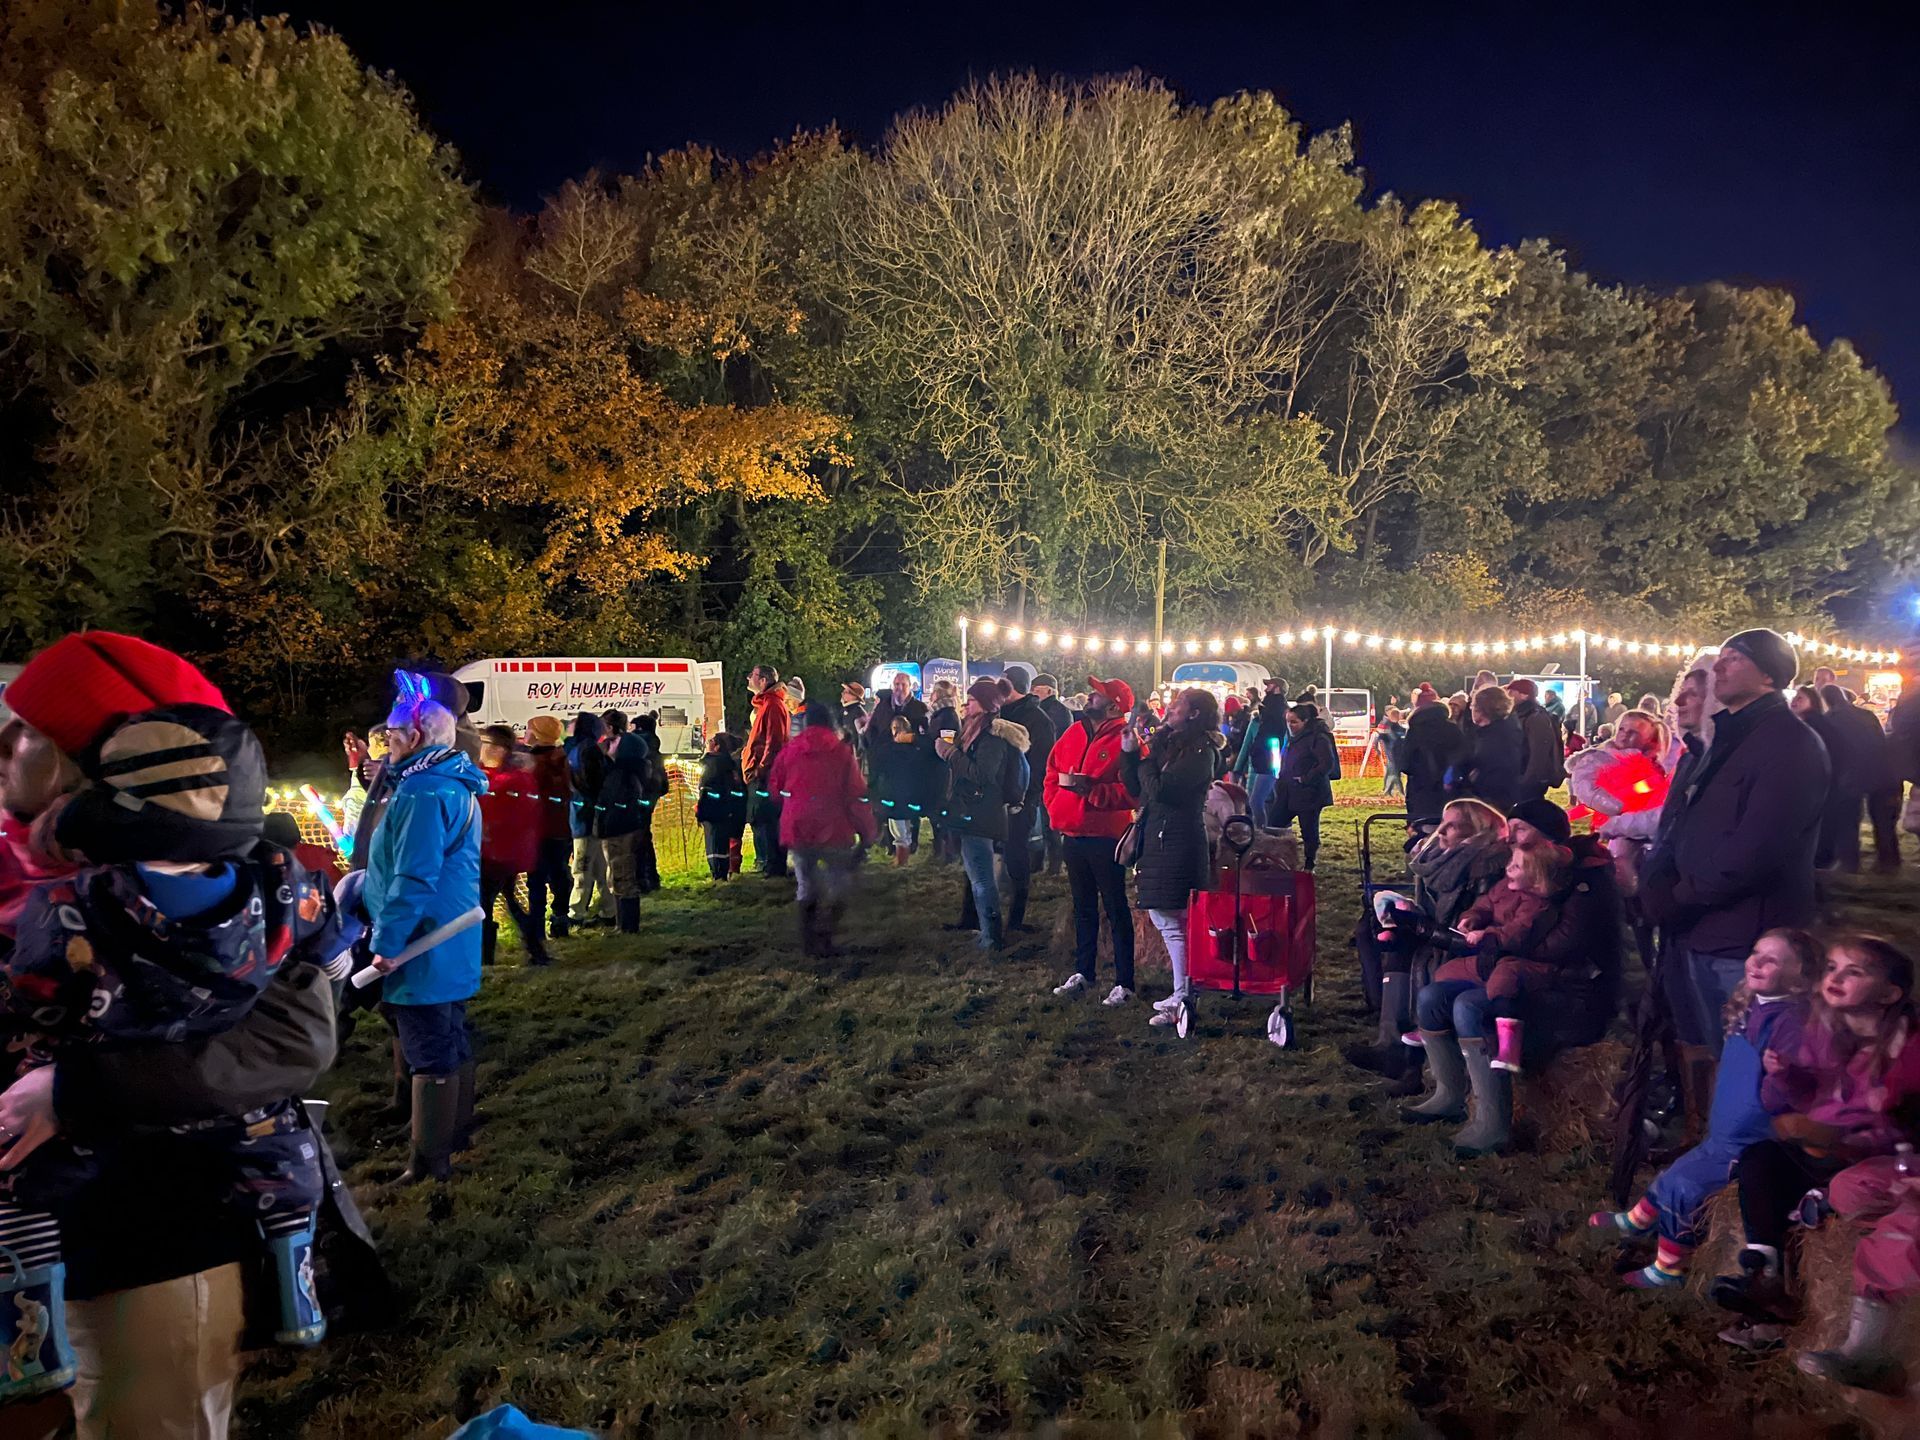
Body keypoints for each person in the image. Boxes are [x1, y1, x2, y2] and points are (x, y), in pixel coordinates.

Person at [0, 632, 345, 1437]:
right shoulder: (20, 870)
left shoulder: (236, 891)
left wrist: (78, 1091)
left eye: (30, 734)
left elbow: (293, 1042)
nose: (3, 745)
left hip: (147, 1225)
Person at [1641, 631, 1828, 1091]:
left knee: (1748, 1058)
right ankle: (1711, 1139)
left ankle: (1748, 1154)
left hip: (1745, 930)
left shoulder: (1789, 744)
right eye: (1720, 658)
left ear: (1770, 673)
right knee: (1707, 1041)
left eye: (1734, 658)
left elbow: (1757, 846)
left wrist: (1681, 896)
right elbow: (1684, 823)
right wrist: (1658, 882)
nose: (1720, 668)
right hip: (1697, 923)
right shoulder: (1725, 738)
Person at [1709, 935, 1920, 1336]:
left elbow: (1901, 1125)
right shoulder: (1823, 1029)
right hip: (1830, 1149)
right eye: (1832, 968)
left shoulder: (1909, 1049)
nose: (1836, 977)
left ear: (1889, 993)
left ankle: (1776, 1314)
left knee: (1831, 1179)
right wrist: (1786, 1077)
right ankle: (1764, 1272)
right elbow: (1801, 1100)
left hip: (1879, 1160)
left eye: (1854, 971)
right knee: (1760, 1161)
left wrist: (1840, 1132)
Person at [1590, 929, 1817, 1290]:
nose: (1755, 962)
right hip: (1725, 1133)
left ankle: (1669, 1268)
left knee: (1686, 1186)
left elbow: (1792, 1088)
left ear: (1801, 975)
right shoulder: (1753, 1004)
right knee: (1677, 1171)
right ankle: (1639, 1220)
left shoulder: (1790, 1022)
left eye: (1771, 959)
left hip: (1750, 1140)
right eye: (1755, 952)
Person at [362, 681, 487, 1186]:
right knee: (449, 1037)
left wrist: (386, 946)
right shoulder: (450, 782)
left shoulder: (420, 791)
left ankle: (429, 1162)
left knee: (429, 1047)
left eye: (390, 735)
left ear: (414, 736)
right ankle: (451, 1136)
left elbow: (413, 877)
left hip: (422, 941)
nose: (384, 743)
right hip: (447, 937)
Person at [1352, 799, 1508, 1082]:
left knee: (1414, 955)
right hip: (1439, 936)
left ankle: (1407, 1059)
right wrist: (1406, 913)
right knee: (1385, 935)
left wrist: (1422, 927)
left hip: (1468, 950)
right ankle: (1393, 1045)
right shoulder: (1440, 860)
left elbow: (1469, 933)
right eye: (1443, 823)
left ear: (1478, 832)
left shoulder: (1485, 868)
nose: (1442, 831)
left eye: (1453, 826)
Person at [1122, 688, 1225, 1025]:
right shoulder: (1172, 743)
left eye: (1177, 705)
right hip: (1161, 837)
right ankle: (1184, 988)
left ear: (1194, 714)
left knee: (1171, 919)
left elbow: (1163, 789)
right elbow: (1138, 787)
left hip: (1177, 841)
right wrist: (1131, 755)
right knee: (1167, 919)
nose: (1169, 709)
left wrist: (1147, 759)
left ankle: (1184, 993)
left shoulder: (1200, 751)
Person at [1046, 676, 1138, 1001]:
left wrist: (1096, 793)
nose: (1089, 697)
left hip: (1105, 836)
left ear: (1114, 705)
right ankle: (1084, 972)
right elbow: (1052, 771)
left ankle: (1124, 982)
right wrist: (1054, 804)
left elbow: (1135, 791)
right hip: (1072, 833)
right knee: (1082, 906)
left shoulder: (1128, 741)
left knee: (1115, 907)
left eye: (1097, 694)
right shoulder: (1075, 731)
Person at [766, 702, 876, 955]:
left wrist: (791, 803)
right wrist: (867, 832)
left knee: (806, 883)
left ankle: (808, 943)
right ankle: (825, 934)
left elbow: (774, 788)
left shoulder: (790, 750)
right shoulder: (841, 752)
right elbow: (855, 795)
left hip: (798, 826)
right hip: (833, 826)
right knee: (840, 883)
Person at [936, 679, 1025, 951]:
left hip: (982, 815)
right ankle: (988, 932)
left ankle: (992, 937)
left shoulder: (991, 738)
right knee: (978, 877)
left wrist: (951, 753)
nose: (965, 704)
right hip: (974, 813)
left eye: (971, 700)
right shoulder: (976, 732)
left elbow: (983, 775)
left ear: (985, 706)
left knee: (983, 879)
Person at [972, 664, 1055, 934]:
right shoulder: (998, 714)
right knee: (982, 855)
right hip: (992, 800)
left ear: (1011, 685)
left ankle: (1016, 919)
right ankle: (975, 916)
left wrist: (1023, 797)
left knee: (1016, 855)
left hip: (1019, 800)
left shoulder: (1039, 720)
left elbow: (1038, 765)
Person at [476, 725, 549, 966]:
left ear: (498, 749)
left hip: (498, 855)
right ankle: (535, 950)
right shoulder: (496, 776)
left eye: (485, 743)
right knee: (508, 902)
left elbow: (498, 814)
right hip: (499, 854)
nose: (480, 749)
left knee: (483, 905)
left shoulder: (512, 780)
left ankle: (485, 958)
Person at [1817, 682, 1898, 874]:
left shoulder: (1829, 720)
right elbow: (1880, 740)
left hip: (1849, 775)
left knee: (1848, 821)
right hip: (1881, 772)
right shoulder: (1867, 715)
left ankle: (1849, 863)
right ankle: (1889, 862)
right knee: (1883, 822)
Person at [594, 710, 649, 935]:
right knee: (618, 871)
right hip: (619, 818)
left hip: (621, 820)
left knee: (623, 871)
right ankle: (623, 923)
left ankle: (628, 926)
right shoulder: (630, 766)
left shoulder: (623, 771)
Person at [1268, 701, 1336, 871]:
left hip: (1309, 792)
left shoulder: (1318, 737)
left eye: (1294, 722)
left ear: (1305, 721)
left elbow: (1326, 763)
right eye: (1288, 722)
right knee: (1274, 823)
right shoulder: (1295, 738)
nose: (1290, 726)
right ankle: (1276, 858)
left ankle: (1309, 863)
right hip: (1288, 790)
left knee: (1309, 830)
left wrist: (1306, 778)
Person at [523, 714, 574, 939]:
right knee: (560, 874)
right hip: (562, 827)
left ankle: (536, 927)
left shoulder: (530, 763)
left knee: (536, 880)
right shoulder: (564, 758)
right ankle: (560, 919)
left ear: (536, 734)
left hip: (536, 829)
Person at [742, 664, 792, 878]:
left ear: (763, 680)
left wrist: (760, 769)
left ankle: (774, 866)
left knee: (767, 819)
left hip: (766, 774)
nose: (747, 678)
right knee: (763, 818)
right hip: (762, 771)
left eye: (751, 675)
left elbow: (774, 742)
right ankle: (770, 864)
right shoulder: (767, 704)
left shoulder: (772, 705)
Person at [874, 716, 942, 865]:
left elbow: (880, 769)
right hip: (910, 794)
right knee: (906, 827)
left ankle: (901, 861)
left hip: (894, 794)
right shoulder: (915, 749)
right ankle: (904, 856)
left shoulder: (887, 749)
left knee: (898, 830)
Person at [566, 711, 612, 928]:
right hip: (591, 815)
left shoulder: (576, 749)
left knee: (583, 868)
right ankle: (608, 910)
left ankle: (576, 914)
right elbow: (597, 781)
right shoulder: (590, 750)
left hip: (584, 816)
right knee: (597, 867)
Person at [1453, 684, 1524, 813]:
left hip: (1491, 799)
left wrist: (1468, 779)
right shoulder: (1498, 730)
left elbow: (1487, 768)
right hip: (1497, 796)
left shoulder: (1496, 736)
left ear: (1483, 709)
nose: (1471, 709)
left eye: (1473, 705)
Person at [1401, 688, 1468, 825]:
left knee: (1423, 828)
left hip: (1421, 789)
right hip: (1448, 789)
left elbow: (1405, 764)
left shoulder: (1415, 731)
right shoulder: (1453, 729)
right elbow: (1464, 758)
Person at [1234, 677, 1291, 826]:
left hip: (1269, 756)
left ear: (1277, 688)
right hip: (1266, 755)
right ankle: (1270, 828)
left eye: (1269, 685)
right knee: (1266, 799)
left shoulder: (1276, 708)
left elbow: (1273, 733)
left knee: (1256, 801)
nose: (1266, 688)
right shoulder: (1272, 707)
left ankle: (1261, 831)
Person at [694, 733, 749, 880]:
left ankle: (720, 875)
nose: (707, 742)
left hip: (716, 811)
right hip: (733, 809)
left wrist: (701, 809)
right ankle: (731, 871)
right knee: (732, 841)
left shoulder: (714, 764)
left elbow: (707, 788)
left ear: (717, 746)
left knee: (716, 843)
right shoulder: (732, 763)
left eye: (711, 741)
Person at [1507, 678, 1566, 804]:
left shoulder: (1535, 717)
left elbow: (1539, 752)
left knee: (1529, 813)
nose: (1508, 696)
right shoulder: (1521, 714)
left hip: (1531, 779)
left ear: (1524, 695)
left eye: (1512, 692)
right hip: (1521, 774)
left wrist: (1527, 780)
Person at [1376, 707, 1408, 798]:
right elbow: (1381, 737)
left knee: (1392, 772)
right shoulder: (1387, 725)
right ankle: (1397, 791)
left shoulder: (1399, 727)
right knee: (1394, 772)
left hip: (1397, 753)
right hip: (1391, 753)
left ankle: (1388, 790)